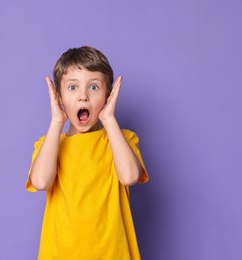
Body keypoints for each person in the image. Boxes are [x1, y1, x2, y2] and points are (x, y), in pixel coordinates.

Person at [26, 46, 149, 259]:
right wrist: (57, 121)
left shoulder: (123, 140)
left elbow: (129, 176)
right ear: (59, 97)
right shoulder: (48, 145)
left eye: (94, 87)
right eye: (72, 88)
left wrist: (109, 118)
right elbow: (40, 182)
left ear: (108, 95)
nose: (83, 96)